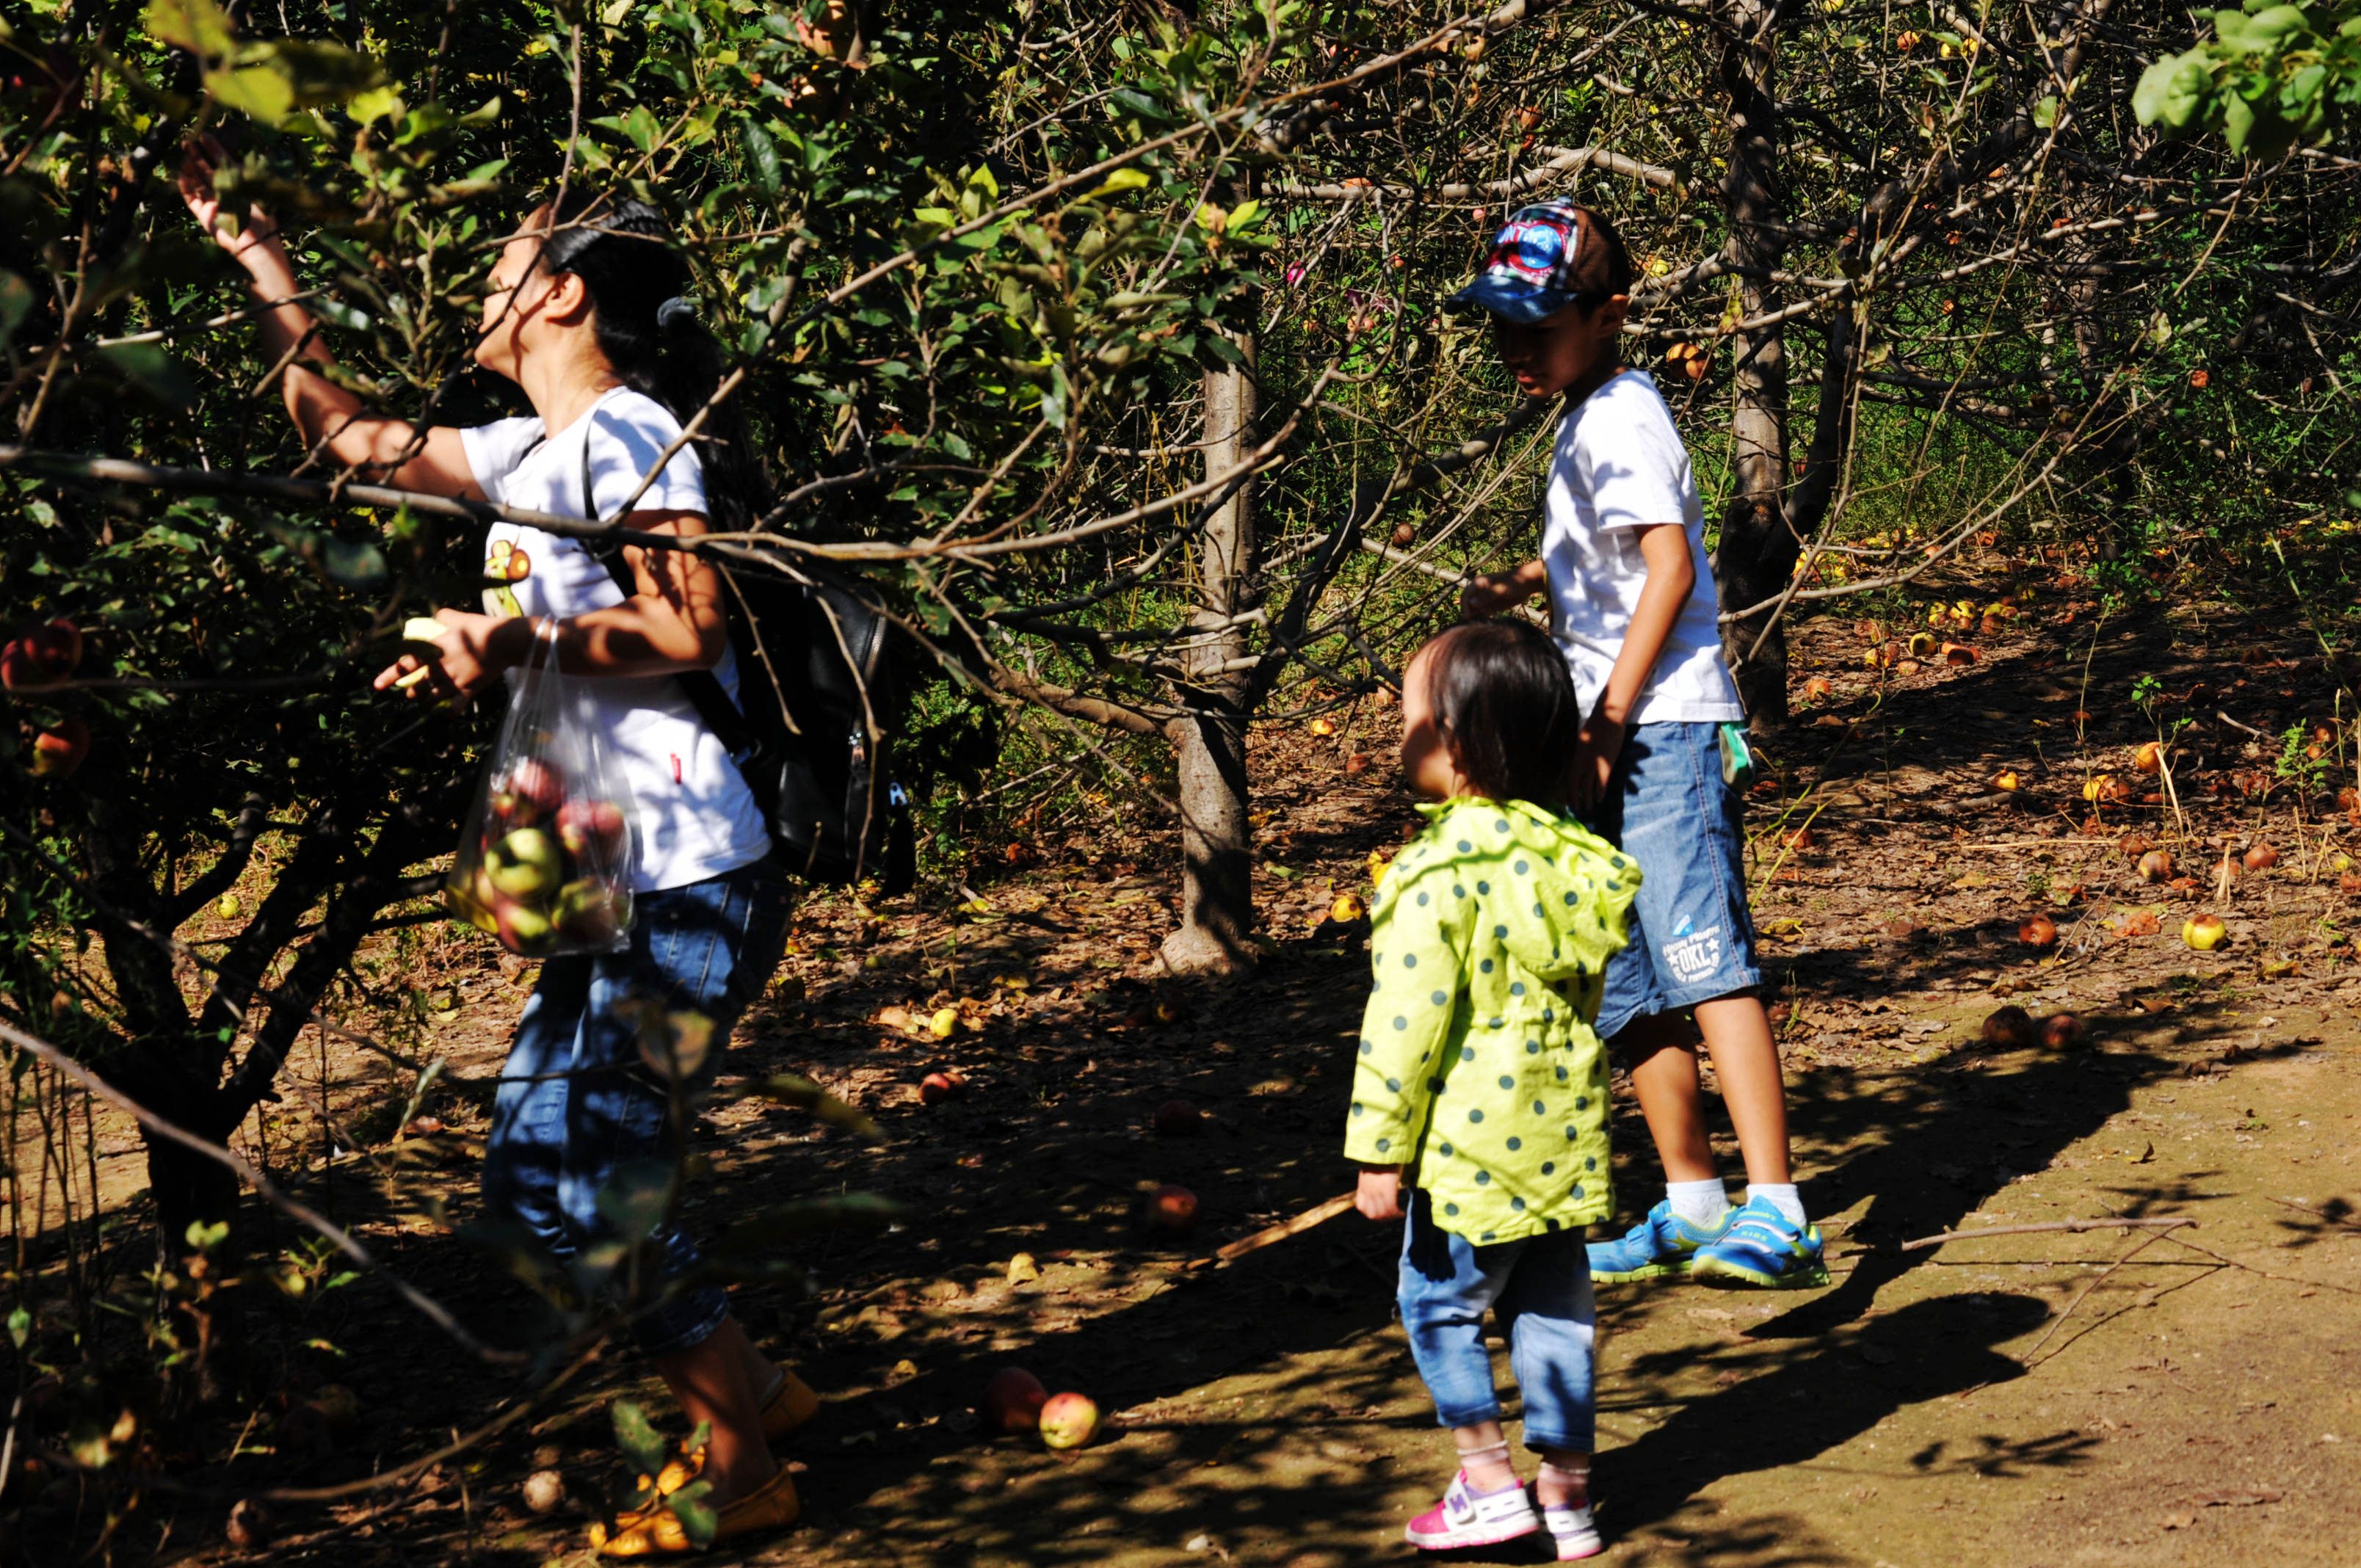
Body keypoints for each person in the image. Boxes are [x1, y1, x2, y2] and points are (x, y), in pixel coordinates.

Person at [179, 153, 808, 1554]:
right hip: (607, 877)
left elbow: (688, 623)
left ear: (563, 291)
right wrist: (266, 277)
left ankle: (743, 1456)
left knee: (595, 1175)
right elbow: (349, 440)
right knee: (530, 1170)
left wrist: (510, 640)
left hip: (686, 872)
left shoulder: (634, 436)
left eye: (499, 264)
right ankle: (759, 1384)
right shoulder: (534, 455)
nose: (476, 287)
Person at [1453, 201, 1829, 1291]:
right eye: (1503, 329)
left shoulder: (1623, 413)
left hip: (1654, 727)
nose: (1516, 349)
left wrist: (1609, 723)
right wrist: (1529, 582)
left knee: (1703, 954)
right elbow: (1609, 561)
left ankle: (1782, 1208)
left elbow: (1669, 570)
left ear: (1611, 315)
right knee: (1629, 971)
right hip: (1603, 727)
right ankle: (1694, 1203)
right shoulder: (1587, 415)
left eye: (1538, 325)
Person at [1346, 619, 1642, 1561]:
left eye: (1409, 721)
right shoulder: (1570, 856)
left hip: (1472, 1154)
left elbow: (1408, 1023)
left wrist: (1380, 1150)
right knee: (1557, 1310)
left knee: (1438, 1304)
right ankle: (1569, 1496)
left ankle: (1487, 1481)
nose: (1400, 741)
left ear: (1458, 744)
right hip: (1563, 1139)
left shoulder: (1440, 871)